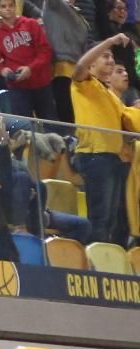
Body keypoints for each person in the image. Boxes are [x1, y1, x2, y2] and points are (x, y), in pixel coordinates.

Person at [69, 31, 137, 246]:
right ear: (92, 63)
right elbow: (79, 67)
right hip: (95, 156)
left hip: (113, 158)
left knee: (110, 220)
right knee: (100, 218)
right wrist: (110, 41)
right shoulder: (85, 84)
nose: (110, 61)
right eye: (105, 57)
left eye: (112, 57)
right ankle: (94, 265)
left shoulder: (110, 94)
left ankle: (105, 259)